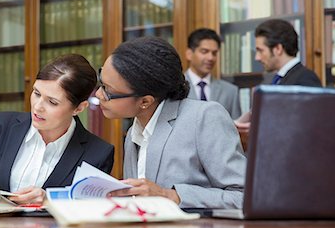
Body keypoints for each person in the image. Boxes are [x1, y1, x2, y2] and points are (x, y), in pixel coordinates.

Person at [96, 36, 246, 209]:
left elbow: (244, 197)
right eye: (101, 83)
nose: (99, 95)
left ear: (145, 101)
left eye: (108, 90)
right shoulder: (133, 133)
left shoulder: (204, 117)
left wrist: (170, 195)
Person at [0, 54, 114, 204]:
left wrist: (49, 201)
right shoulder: (2, 125)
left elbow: (90, 211)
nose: (38, 107)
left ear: (79, 108)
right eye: (36, 93)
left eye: (52, 102)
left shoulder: (98, 153)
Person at [235, 19, 322, 132]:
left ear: (278, 49)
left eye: (260, 51)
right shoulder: (278, 80)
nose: (257, 57)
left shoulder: (305, 79)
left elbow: (308, 127)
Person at [185, 28, 241, 119]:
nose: (210, 58)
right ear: (189, 54)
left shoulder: (230, 91)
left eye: (214, 53)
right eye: (204, 51)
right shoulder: (174, 88)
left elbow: (237, 130)